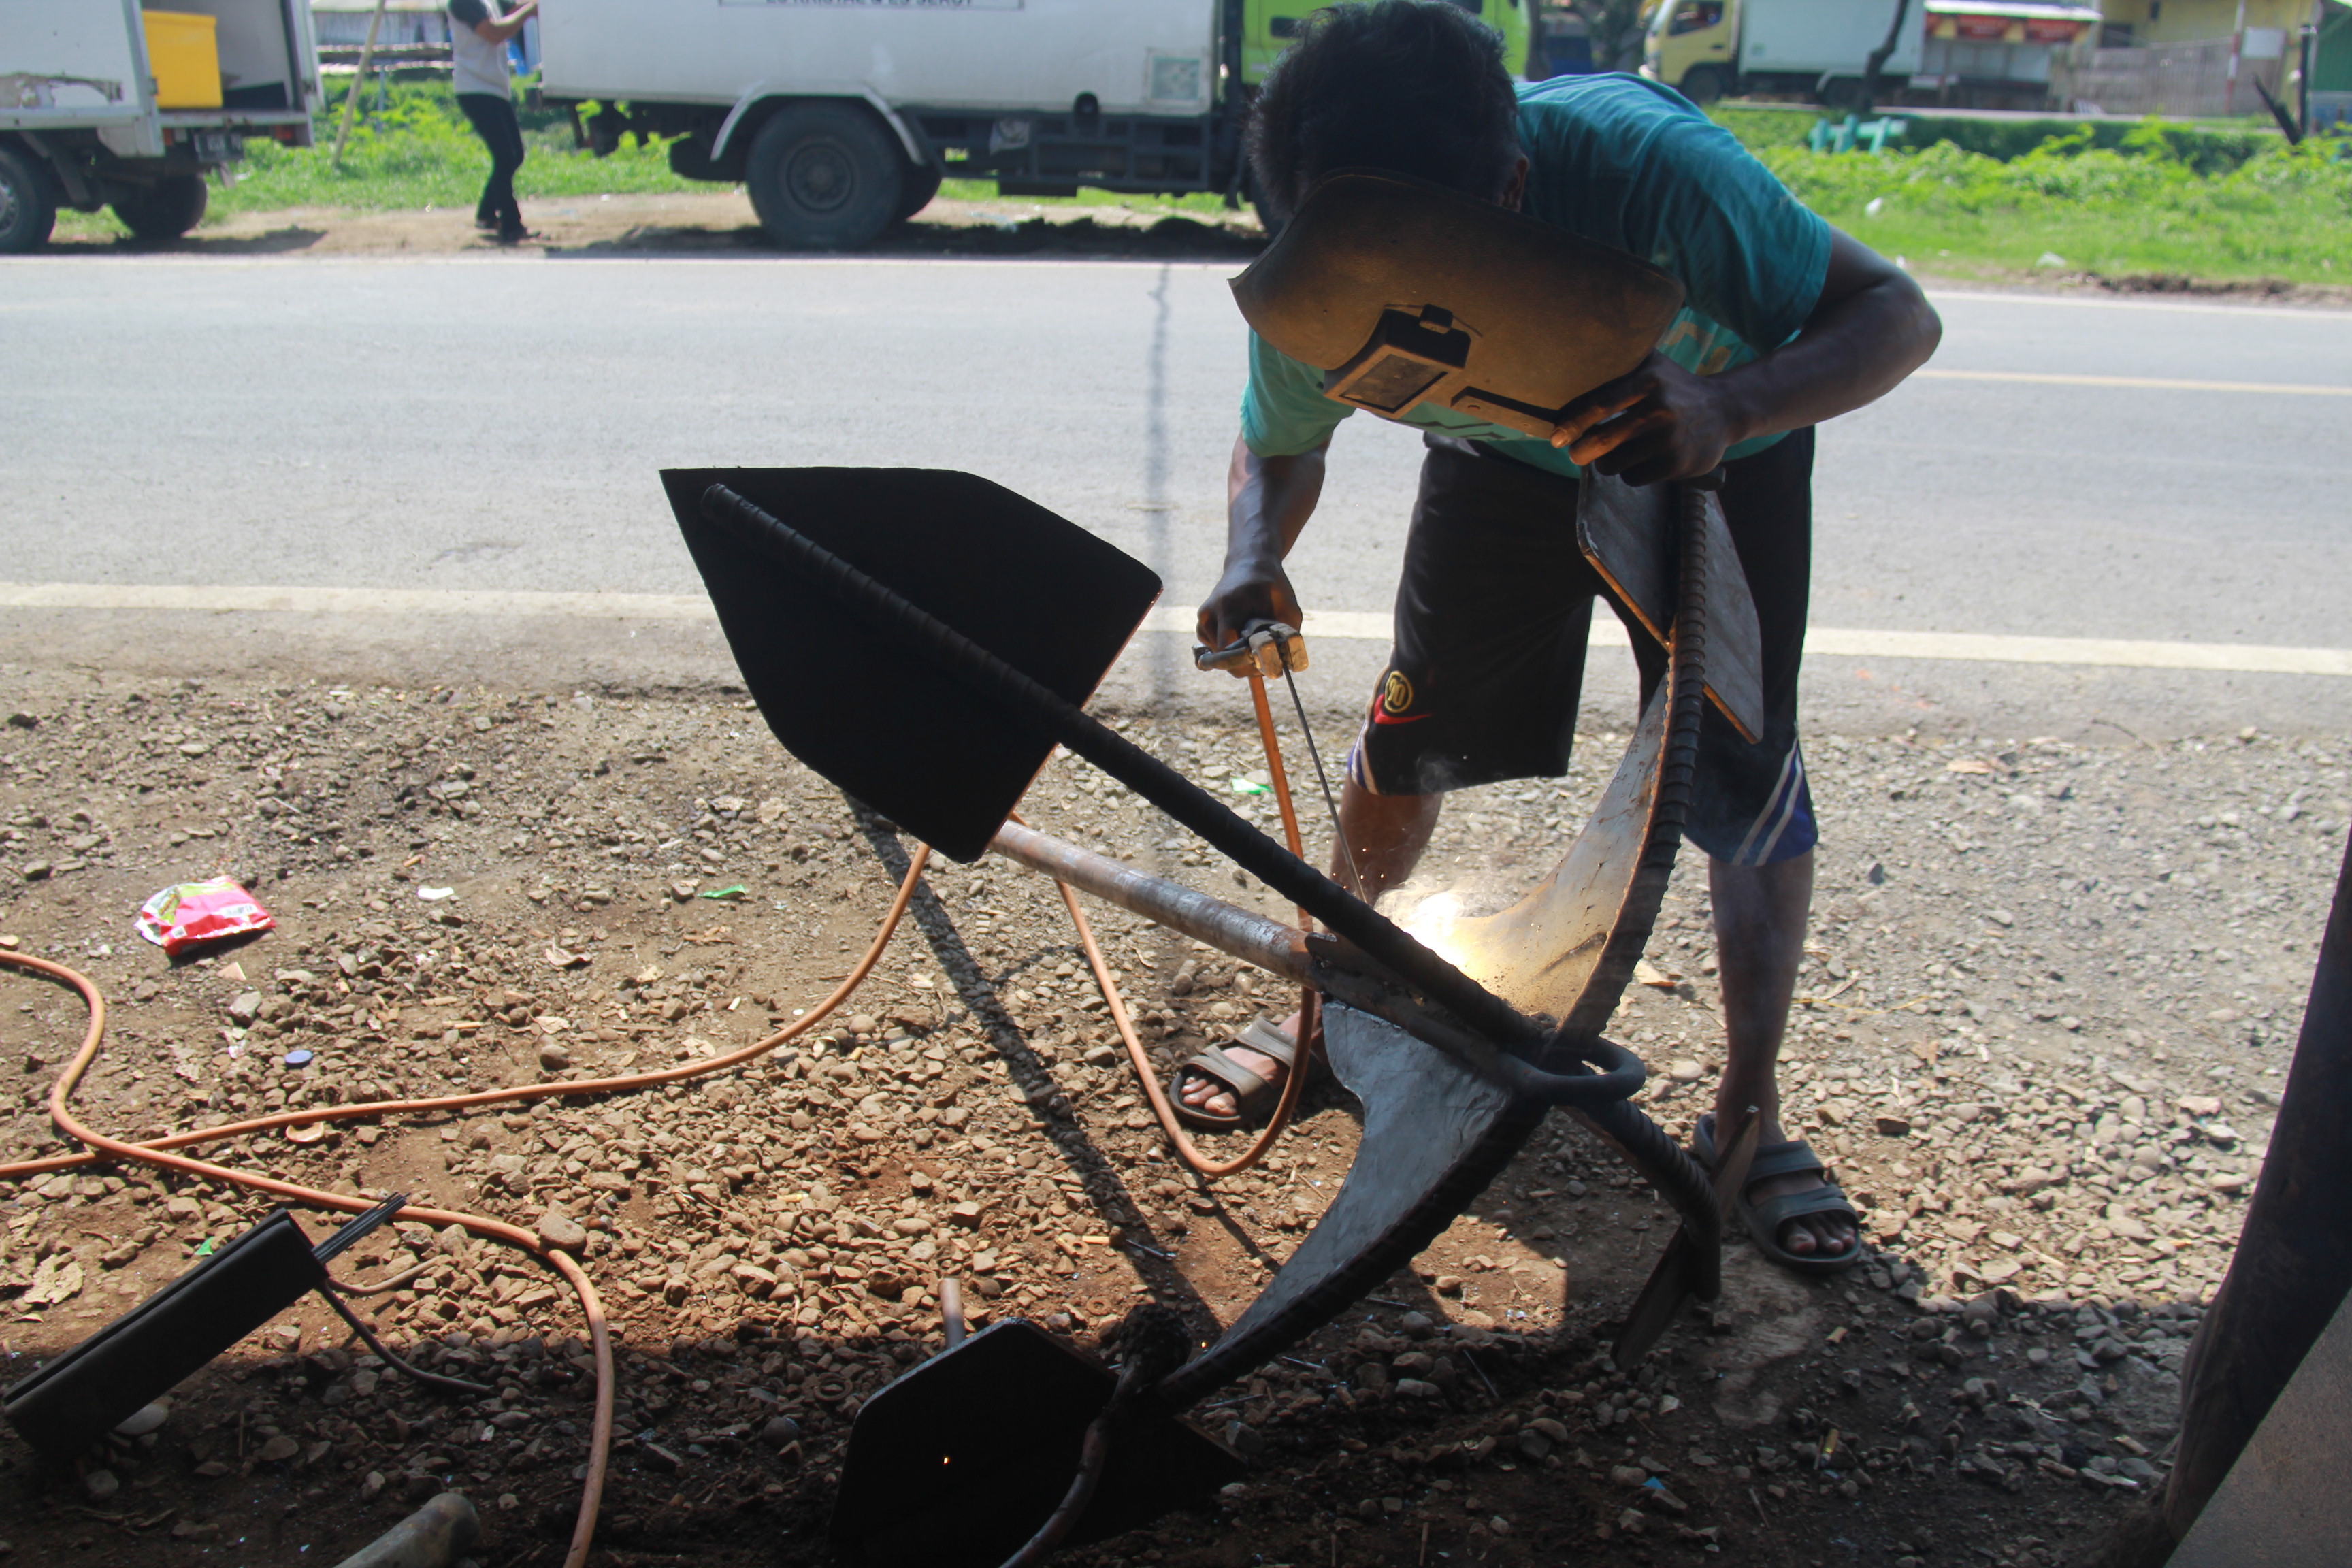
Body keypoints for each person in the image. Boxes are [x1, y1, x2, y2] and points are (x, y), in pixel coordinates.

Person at [1171, 0, 1940, 1275]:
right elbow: (1281, 435)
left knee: (1741, 766)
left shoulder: (1659, 179)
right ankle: (1332, 1009)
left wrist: (1728, 405)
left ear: (1514, 186)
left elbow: (1897, 315)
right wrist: (1254, 553)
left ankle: (1750, 1107)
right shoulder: (1326, 257)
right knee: (1411, 737)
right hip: (1496, 449)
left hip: (1708, 436)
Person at [447, 0, 539, 244]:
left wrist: (532, 6)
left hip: (494, 87)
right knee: (505, 156)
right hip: (475, 87)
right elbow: (494, 33)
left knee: (514, 154)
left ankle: (487, 214)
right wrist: (529, 11)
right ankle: (511, 225)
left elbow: (510, 11)